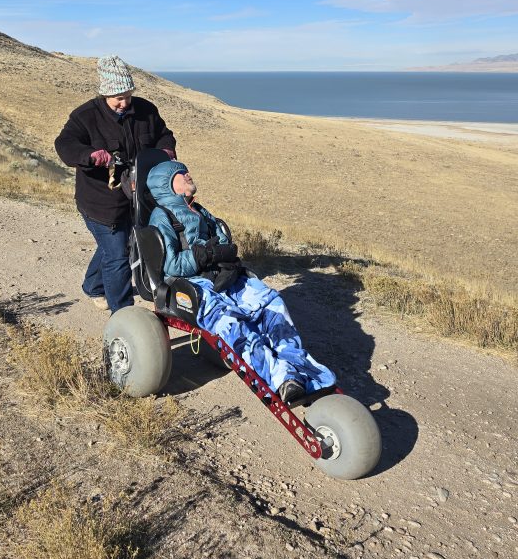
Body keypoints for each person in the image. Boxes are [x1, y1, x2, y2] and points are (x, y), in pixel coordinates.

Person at [145, 158, 336, 403]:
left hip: (221, 275)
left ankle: (298, 363)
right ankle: (281, 379)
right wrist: (201, 253)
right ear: (168, 185)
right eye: (182, 173)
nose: (189, 174)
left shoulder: (199, 210)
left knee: (270, 302)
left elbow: (223, 238)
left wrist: (222, 252)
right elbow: (169, 265)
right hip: (192, 284)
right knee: (230, 319)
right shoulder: (161, 217)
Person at [55, 56, 177, 313]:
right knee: (118, 256)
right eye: (118, 98)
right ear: (105, 93)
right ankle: (124, 313)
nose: (125, 103)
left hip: (136, 200)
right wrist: (90, 155)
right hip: (101, 203)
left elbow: (164, 134)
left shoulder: (146, 110)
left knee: (117, 247)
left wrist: (166, 150)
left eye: (128, 95)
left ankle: (93, 286)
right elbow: (65, 145)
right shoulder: (85, 116)